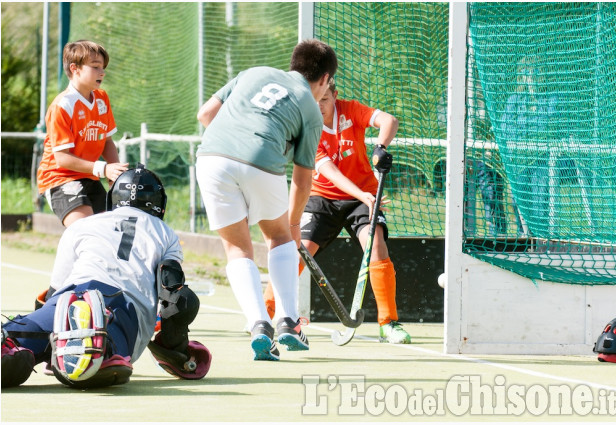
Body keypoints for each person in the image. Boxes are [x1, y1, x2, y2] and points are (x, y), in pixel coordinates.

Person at [1, 164, 211, 389]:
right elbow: (176, 299)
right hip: (124, 307)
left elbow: (54, 290)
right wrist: (176, 349)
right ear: (160, 204)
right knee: (105, 345)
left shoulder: (82, 226)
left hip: (70, 296)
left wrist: (42, 321)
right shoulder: (166, 234)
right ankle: (97, 348)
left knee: (25, 330)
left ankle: (15, 340)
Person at [195, 39, 338, 361]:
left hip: (211, 159)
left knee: (237, 248)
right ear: (325, 79)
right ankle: (288, 321)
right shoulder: (311, 109)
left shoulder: (254, 72)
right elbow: (303, 180)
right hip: (261, 160)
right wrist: (293, 223)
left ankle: (259, 325)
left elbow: (205, 114)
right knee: (279, 237)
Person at [263, 80, 411, 344]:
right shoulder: (307, 126)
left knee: (375, 245)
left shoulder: (351, 110)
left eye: (325, 100)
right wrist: (362, 195)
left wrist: (381, 146)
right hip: (324, 198)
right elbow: (329, 170)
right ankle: (265, 314)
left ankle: (388, 323)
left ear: (335, 96)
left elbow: (390, 120)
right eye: (314, 100)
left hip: (362, 197)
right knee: (299, 249)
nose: (319, 106)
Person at [36, 39, 129, 228]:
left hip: (89, 176)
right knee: (86, 231)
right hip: (60, 178)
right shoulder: (63, 105)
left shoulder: (102, 98)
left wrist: (114, 173)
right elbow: (62, 158)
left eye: (103, 67)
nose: (102, 72)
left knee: (109, 232)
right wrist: (104, 169)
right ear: (75, 68)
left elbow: (107, 141)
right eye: (95, 66)